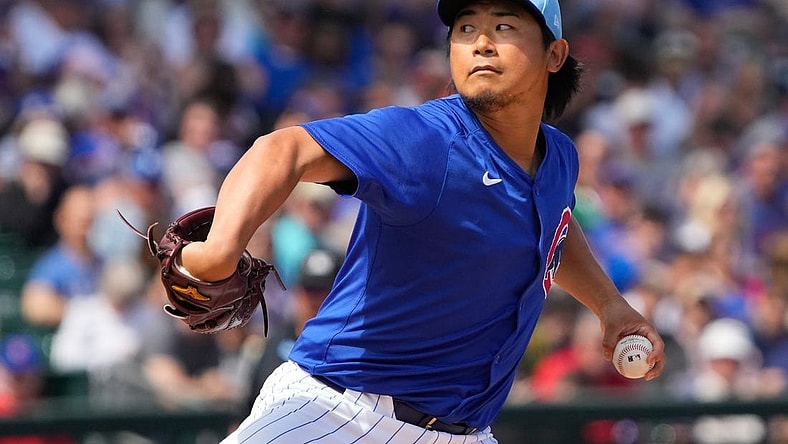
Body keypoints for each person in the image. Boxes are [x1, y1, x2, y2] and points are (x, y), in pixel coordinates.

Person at [178, 1, 666, 442]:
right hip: (338, 415)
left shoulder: (557, 157)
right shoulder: (426, 141)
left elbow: (554, 224)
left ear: (554, 55)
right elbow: (282, 149)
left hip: (465, 434)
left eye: (503, 26)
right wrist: (222, 247)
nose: (480, 42)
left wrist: (610, 307)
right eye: (465, 27)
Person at [244, 248, 343, 412]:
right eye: (309, 289)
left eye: (323, 291)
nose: (313, 300)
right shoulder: (275, 341)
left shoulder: (347, 350)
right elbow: (248, 405)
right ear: (298, 291)